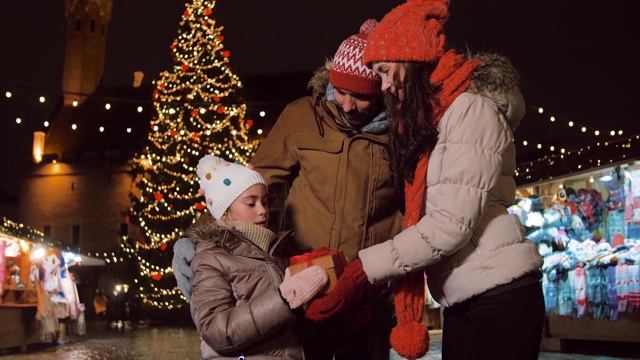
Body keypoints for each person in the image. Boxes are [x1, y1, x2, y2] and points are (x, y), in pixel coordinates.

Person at [305, 1, 545, 359]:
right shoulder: (433, 118)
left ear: (412, 60)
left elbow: (450, 225)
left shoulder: (471, 110)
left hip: (500, 296)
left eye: (386, 71)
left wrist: (362, 273)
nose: (383, 85)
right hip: (466, 298)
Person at [173, 19, 404, 359]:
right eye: (340, 92)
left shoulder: (402, 133)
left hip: (369, 295)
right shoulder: (301, 118)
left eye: (360, 97)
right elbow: (245, 190)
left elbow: (415, 206)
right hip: (307, 288)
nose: (348, 105)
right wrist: (196, 238)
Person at [188, 154, 329, 359]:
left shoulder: (276, 252)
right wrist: (283, 299)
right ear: (224, 212)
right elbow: (215, 330)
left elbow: (289, 332)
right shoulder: (211, 259)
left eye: (264, 201)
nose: (263, 211)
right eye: (251, 203)